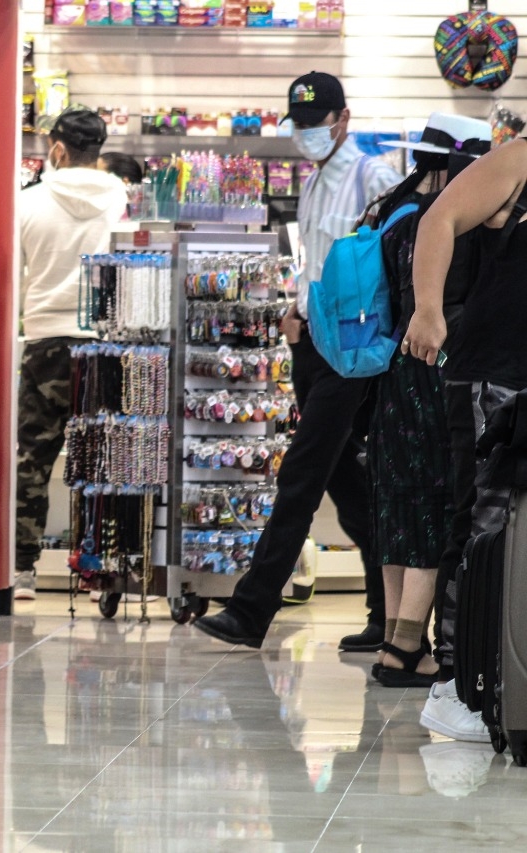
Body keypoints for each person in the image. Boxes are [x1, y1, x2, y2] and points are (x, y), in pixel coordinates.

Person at [195, 71, 399, 650]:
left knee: (303, 474)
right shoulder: (310, 184)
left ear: (343, 118)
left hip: (353, 351)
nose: (308, 134)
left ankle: (251, 610)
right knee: (346, 480)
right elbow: (315, 266)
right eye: (300, 124)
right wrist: (295, 311)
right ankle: (386, 617)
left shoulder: (374, 177)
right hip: (311, 343)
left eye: (317, 123)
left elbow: (384, 271)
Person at [402, 122, 527, 742]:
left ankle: (503, 676)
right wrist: (427, 310)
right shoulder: (518, 161)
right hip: (494, 373)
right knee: (483, 518)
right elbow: (438, 221)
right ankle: (455, 681)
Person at [365, 114, 492, 688]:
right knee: (432, 499)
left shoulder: (390, 209)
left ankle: (397, 639)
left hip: (392, 369)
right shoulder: (450, 221)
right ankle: (409, 646)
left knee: (396, 501)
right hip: (437, 368)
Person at [14, 106, 129, 601]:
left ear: (57, 149)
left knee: (34, 458)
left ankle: (22, 572)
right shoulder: (119, 199)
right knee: (98, 461)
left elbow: (14, 279)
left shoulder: (27, 203)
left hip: (43, 340)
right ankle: (94, 568)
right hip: (104, 344)